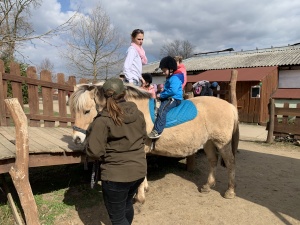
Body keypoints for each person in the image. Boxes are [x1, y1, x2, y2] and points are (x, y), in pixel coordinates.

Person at [85, 78, 147, 225]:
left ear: (104, 96)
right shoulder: (139, 114)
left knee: (118, 218)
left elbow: (94, 152)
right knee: (126, 205)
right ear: (125, 93)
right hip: (139, 172)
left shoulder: (103, 120)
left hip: (116, 177)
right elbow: (143, 137)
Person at [148, 56, 184, 139]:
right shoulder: (171, 77)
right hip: (170, 97)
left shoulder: (174, 78)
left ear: (171, 69)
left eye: (164, 71)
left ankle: (157, 131)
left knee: (162, 110)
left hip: (174, 98)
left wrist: (161, 95)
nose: (163, 73)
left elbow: (173, 91)